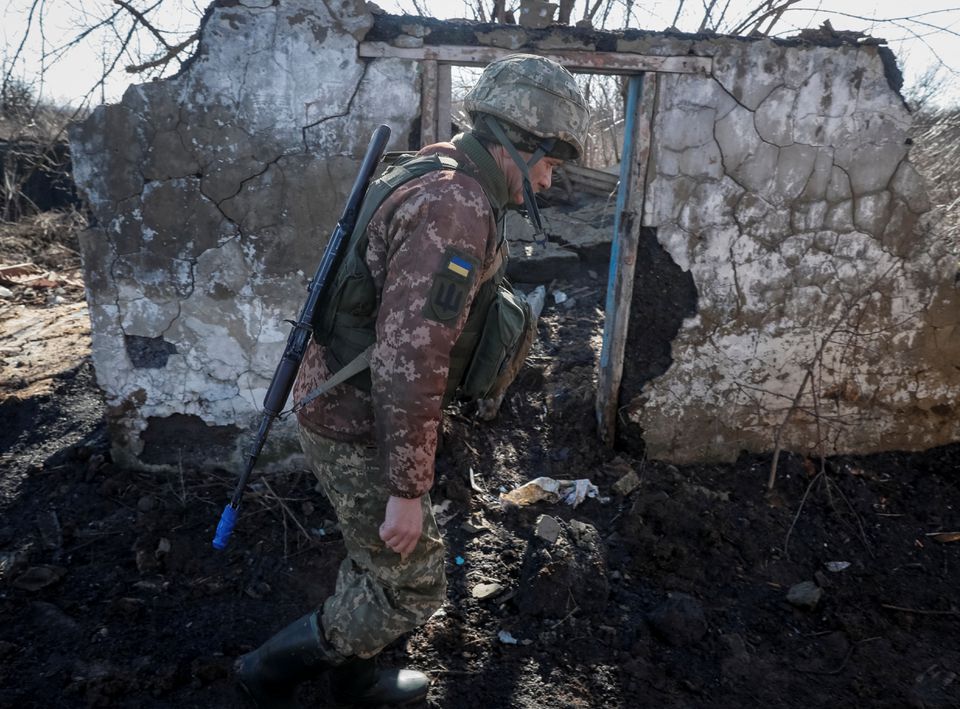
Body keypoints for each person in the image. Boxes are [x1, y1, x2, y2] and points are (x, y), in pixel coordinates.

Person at [234, 53, 589, 708]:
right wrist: (405, 486)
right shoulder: (453, 207)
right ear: (515, 143)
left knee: (377, 562)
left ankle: (359, 681)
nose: (548, 177)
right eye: (548, 161)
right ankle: (269, 670)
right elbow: (412, 358)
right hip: (358, 418)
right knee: (413, 584)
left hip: (345, 402)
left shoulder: (441, 169)